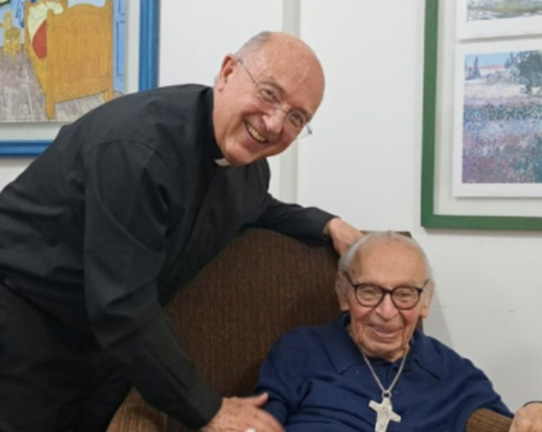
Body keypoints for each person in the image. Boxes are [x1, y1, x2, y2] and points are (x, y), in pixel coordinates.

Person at [0, 31, 362, 432]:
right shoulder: (139, 149)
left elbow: (257, 207)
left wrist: (327, 224)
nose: (275, 123)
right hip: (23, 317)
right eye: (269, 94)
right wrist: (209, 410)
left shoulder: (248, 167)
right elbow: (121, 307)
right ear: (227, 73)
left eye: (297, 117)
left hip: (100, 342)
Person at [255, 232, 542, 432]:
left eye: (404, 294)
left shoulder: (450, 373)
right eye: (369, 291)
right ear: (343, 293)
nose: (387, 312)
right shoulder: (300, 350)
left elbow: (506, 422)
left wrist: (541, 409)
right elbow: (257, 422)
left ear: (425, 301)